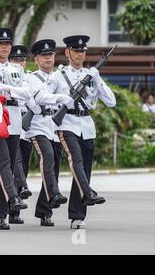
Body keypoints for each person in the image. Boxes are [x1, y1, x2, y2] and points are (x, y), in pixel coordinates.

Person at [35, 35, 116, 229]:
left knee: (84, 169)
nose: (80, 54)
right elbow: (40, 96)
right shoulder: (58, 75)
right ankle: (88, 193)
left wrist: (98, 80)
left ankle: (77, 216)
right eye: (76, 50)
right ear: (67, 52)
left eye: (83, 51)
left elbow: (111, 102)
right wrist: (61, 99)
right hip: (66, 124)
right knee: (76, 159)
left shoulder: (92, 75)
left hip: (86, 126)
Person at [0, 27, 33, 227]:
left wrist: (7, 89)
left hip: (14, 119)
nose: (5, 47)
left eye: (7, 44)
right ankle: (13, 198)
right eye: (1, 44)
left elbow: (26, 94)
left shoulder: (17, 69)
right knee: (5, 161)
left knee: (6, 166)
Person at [25, 39, 69, 226]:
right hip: (37, 124)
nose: (48, 58)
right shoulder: (31, 77)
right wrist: (60, 96)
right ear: (36, 58)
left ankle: (45, 211)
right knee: (48, 157)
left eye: (50, 55)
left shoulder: (59, 76)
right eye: (44, 55)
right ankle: (54, 194)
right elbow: (40, 96)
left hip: (55, 124)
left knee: (55, 166)